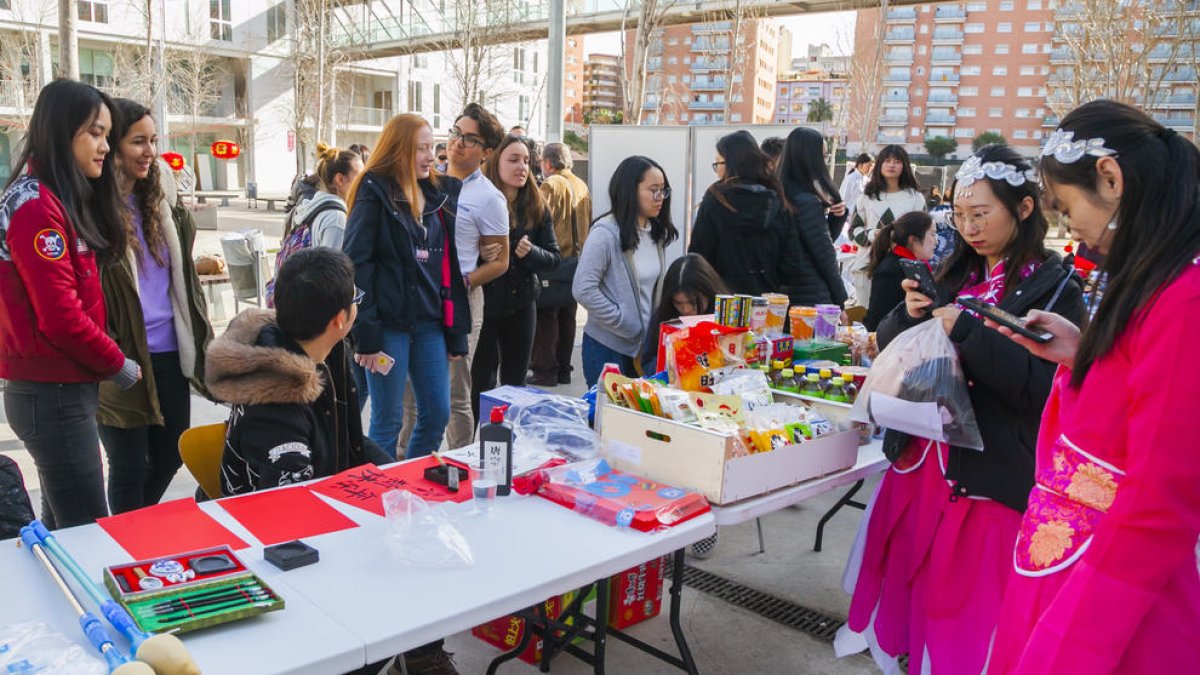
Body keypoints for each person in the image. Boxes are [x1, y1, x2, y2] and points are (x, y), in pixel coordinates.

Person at [840, 144, 1085, 674]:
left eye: (982, 214)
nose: (969, 228)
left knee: (968, 615)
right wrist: (907, 318)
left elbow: (1042, 392)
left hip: (987, 478)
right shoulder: (953, 271)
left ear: (1023, 210)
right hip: (922, 463)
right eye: (960, 215)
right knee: (912, 589)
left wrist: (968, 329)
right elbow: (891, 344)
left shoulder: (1058, 287)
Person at [988, 101, 1200, 674]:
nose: (1067, 223)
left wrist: (1074, 640)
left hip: (1109, 579)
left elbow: (1161, 494)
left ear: (1110, 177)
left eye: (1065, 205)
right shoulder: (1160, 277)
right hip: (1072, 552)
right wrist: (1082, 355)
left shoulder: (1184, 295)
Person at [207, 248, 453, 675]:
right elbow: (292, 514)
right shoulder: (277, 399)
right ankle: (397, 652)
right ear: (341, 318)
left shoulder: (323, 350)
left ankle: (417, 651)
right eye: (355, 298)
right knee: (413, 565)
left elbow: (344, 441)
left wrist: (398, 478)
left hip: (316, 519)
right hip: (273, 552)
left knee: (425, 538)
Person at [0, 79, 139, 529]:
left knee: (62, 530)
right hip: (51, 393)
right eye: (94, 133)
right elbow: (60, 316)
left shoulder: (57, 198)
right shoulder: (37, 206)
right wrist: (117, 361)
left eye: (106, 133)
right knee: (86, 531)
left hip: (58, 390)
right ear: (63, 132)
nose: (105, 146)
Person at [96, 98, 214, 514]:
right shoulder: (93, 208)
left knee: (171, 451)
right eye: (138, 141)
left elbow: (182, 278)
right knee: (128, 464)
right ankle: (125, 541)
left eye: (154, 141)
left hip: (168, 350)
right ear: (112, 146)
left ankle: (131, 526)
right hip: (120, 352)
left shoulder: (160, 201)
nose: (149, 151)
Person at [342, 113, 470, 459]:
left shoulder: (440, 195)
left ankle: (410, 481)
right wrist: (365, 335)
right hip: (387, 328)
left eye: (432, 147)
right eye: (421, 149)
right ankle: (376, 495)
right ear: (398, 151)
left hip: (430, 324)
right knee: (388, 420)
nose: (431, 156)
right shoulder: (373, 192)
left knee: (437, 413)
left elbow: (451, 267)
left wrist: (456, 331)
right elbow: (355, 264)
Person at [428, 103, 509, 446]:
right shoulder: (426, 179)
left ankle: (461, 464)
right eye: (456, 133)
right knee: (419, 390)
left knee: (456, 392)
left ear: (486, 152)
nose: (459, 143)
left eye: (470, 139)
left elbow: (500, 261)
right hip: (423, 292)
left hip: (462, 295)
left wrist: (467, 280)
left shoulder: (489, 197)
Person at [471, 135, 559, 411]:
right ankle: (477, 447)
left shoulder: (536, 204)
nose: (521, 167)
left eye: (526, 161)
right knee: (480, 383)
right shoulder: (480, 201)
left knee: (514, 385)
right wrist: (480, 256)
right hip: (485, 306)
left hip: (521, 303)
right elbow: (458, 254)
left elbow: (554, 259)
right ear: (495, 162)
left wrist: (530, 252)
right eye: (513, 160)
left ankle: (509, 446)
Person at [574, 156, 678, 387]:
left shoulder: (655, 233)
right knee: (606, 419)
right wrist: (624, 321)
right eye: (653, 190)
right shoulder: (605, 233)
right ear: (630, 190)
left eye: (663, 190)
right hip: (607, 348)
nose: (660, 197)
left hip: (645, 348)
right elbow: (583, 289)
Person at [687, 130, 806, 299]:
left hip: (723, 302)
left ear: (732, 165)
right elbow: (793, 264)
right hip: (769, 305)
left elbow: (698, 257)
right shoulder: (777, 199)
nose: (717, 171)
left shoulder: (715, 199)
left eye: (718, 163)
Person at [530, 142, 591, 387]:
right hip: (578, 261)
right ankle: (563, 369)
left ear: (547, 163)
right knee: (568, 317)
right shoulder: (581, 185)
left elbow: (538, 220)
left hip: (555, 260)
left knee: (547, 318)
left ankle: (545, 371)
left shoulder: (551, 185)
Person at [777, 126, 852, 306]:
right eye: (823, 156)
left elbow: (814, 242)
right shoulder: (806, 200)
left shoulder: (776, 193)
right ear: (811, 158)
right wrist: (840, 299)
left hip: (781, 293)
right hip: (808, 294)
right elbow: (824, 254)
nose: (824, 161)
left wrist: (836, 218)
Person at [848, 144, 926, 309]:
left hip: (903, 271)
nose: (892, 165)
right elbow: (853, 232)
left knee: (897, 323)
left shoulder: (915, 198)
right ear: (879, 165)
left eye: (897, 161)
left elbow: (925, 234)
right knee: (866, 323)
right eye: (887, 161)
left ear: (904, 165)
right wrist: (874, 235)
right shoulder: (865, 198)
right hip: (866, 267)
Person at [637, 253, 729, 375]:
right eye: (678, 303)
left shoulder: (726, 314)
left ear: (708, 293)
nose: (686, 310)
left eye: (693, 303)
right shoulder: (664, 316)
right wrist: (671, 360)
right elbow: (647, 364)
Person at [862, 211, 936, 331]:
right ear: (914, 240)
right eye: (932, 235)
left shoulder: (914, 266)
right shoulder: (891, 271)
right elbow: (878, 321)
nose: (936, 241)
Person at [838, 152, 873, 224]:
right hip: (848, 219)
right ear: (860, 165)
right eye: (869, 165)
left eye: (872, 166)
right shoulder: (851, 178)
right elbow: (843, 198)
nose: (870, 168)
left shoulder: (866, 179)